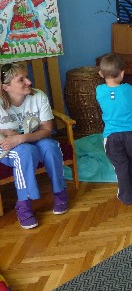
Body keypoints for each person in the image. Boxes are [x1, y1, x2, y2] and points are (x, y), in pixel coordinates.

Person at [0, 62, 68, 229]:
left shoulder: (38, 96)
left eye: (27, 77)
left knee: (51, 147)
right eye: (21, 80)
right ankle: (24, 204)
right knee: (25, 152)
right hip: (6, 147)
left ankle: (60, 192)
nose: (29, 82)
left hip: (30, 138)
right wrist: (12, 137)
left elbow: (47, 130)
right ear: (6, 87)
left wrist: (19, 137)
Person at [96, 53, 132, 205]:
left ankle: (127, 196)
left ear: (101, 74)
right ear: (123, 73)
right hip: (131, 134)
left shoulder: (99, 90)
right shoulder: (127, 89)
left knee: (121, 166)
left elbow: (110, 96)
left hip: (112, 137)